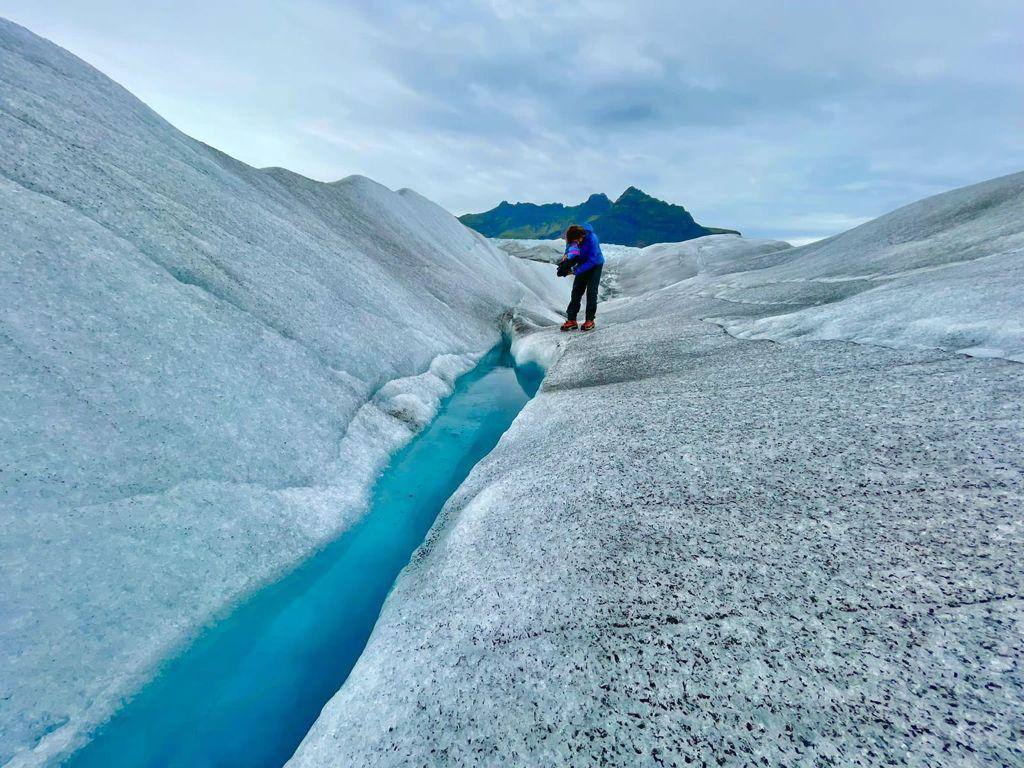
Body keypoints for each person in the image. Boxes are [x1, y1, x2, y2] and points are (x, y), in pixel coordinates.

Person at [556, 223, 604, 331]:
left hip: (595, 265)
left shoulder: (592, 239)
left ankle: (590, 320)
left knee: (591, 291)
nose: (576, 243)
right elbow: (571, 249)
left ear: (582, 236)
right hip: (582, 262)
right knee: (577, 291)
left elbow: (592, 261)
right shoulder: (573, 237)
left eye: (577, 241)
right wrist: (567, 259)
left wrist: (574, 270)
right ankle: (571, 320)